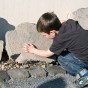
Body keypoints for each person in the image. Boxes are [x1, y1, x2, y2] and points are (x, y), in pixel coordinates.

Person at [23, 12, 88, 88]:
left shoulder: (60, 39)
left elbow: (47, 53)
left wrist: (32, 50)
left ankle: (85, 76)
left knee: (62, 58)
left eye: (44, 35)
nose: (44, 37)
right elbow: (62, 21)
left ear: (52, 32)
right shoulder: (70, 23)